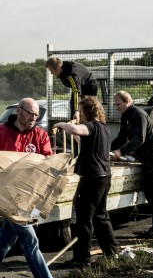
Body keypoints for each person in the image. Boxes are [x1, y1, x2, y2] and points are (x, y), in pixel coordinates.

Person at [0, 97, 54, 278]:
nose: (33, 118)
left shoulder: (40, 135)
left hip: (28, 196)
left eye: (36, 115)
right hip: (8, 196)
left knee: (7, 237)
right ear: (18, 110)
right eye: (30, 113)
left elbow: (49, 161)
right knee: (30, 239)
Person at [54, 96, 118, 266]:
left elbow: (76, 130)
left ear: (86, 112)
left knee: (83, 219)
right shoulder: (104, 129)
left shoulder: (90, 126)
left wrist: (62, 125)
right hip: (104, 177)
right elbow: (85, 141)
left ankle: (82, 258)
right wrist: (76, 130)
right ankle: (111, 252)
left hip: (92, 178)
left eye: (81, 111)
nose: (79, 114)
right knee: (100, 215)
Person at [110, 91, 153, 240]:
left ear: (127, 101)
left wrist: (121, 151)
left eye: (118, 104)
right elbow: (121, 137)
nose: (116, 107)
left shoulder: (139, 114)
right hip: (147, 158)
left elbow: (139, 139)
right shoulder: (126, 117)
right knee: (150, 192)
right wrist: (106, 148)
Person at [45, 56, 98, 122]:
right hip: (79, 86)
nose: (51, 73)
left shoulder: (72, 74)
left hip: (89, 86)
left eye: (51, 71)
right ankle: (74, 125)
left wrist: (77, 111)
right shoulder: (62, 69)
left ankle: (90, 124)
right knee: (73, 104)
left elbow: (76, 92)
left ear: (57, 68)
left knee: (87, 107)